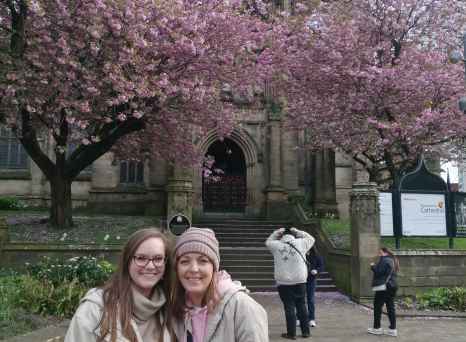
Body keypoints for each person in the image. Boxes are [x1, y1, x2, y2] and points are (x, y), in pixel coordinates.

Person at [65, 228, 173, 342]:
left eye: (158, 258)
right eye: (141, 258)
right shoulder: (95, 309)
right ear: (127, 262)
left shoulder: (171, 310)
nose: (151, 266)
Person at [171, 227, 268, 342]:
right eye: (185, 261)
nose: (194, 269)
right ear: (177, 268)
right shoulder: (176, 308)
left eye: (203, 261)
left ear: (214, 268)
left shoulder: (243, 307)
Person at [266, 227, 315, 340]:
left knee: (289, 306)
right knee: (302, 305)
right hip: (300, 280)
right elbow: (311, 238)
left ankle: (291, 333)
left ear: (281, 235)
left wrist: (276, 232)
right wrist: (298, 231)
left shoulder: (275, 245)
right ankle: (305, 332)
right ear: (293, 235)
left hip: (284, 282)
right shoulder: (301, 243)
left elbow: (267, 242)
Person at [368, 246, 399, 338]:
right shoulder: (393, 260)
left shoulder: (384, 260)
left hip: (384, 287)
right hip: (392, 286)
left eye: (380, 252)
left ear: (384, 252)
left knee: (377, 306)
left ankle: (377, 328)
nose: (379, 254)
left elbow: (378, 272)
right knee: (390, 307)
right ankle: (392, 329)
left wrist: (373, 266)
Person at [305, 245, 324, 328]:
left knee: (310, 300)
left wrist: (316, 270)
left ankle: (311, 319)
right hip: (300, 279)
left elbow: (321, 266)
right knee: (299, 300)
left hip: (311, 280)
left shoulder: (317, 255)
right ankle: (299, 318)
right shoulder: (300, 254)